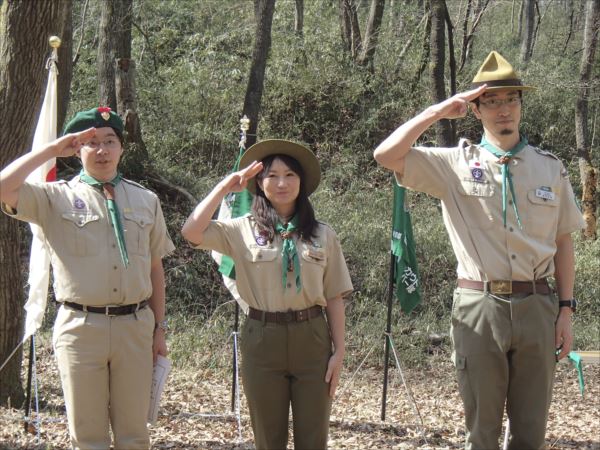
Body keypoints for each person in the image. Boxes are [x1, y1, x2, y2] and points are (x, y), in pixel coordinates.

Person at [373, 51, 584, 449]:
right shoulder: (454, 164)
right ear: (475, 110)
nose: (502, 110)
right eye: (490, 101)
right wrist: (436, 112)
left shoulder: (550, 168)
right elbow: (386, 156)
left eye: (510, 100)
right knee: (482, 432)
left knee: (531, 432)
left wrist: (566, 310)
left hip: (538, 305)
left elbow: (563, 241)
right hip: (479, 305)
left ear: (521, 104)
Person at [0, 107, 175, 449]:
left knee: (135, 436)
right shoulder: (55, 198)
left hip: (135, 327)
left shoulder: (146, 200)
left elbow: (155, 268)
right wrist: (51, 150)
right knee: (88, 437)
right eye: (91, 142)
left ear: (122, 148)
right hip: (80, 328)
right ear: (76, 150)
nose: (102, 151)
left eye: (110, 141)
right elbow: (4, 188)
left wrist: (159, 329)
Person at [182, 139, 353, 449]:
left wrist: (338, 352)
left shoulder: (321, 234)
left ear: (302, 181)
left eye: (290, 174)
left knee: (314, 438)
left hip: (312, 338)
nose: (282, 183)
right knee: (267, 438)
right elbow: (191, 232)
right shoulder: (240, 229)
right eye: (272, 175)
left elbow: (334, 296)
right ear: (259, 183)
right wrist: (224, 188)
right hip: (262, 337)